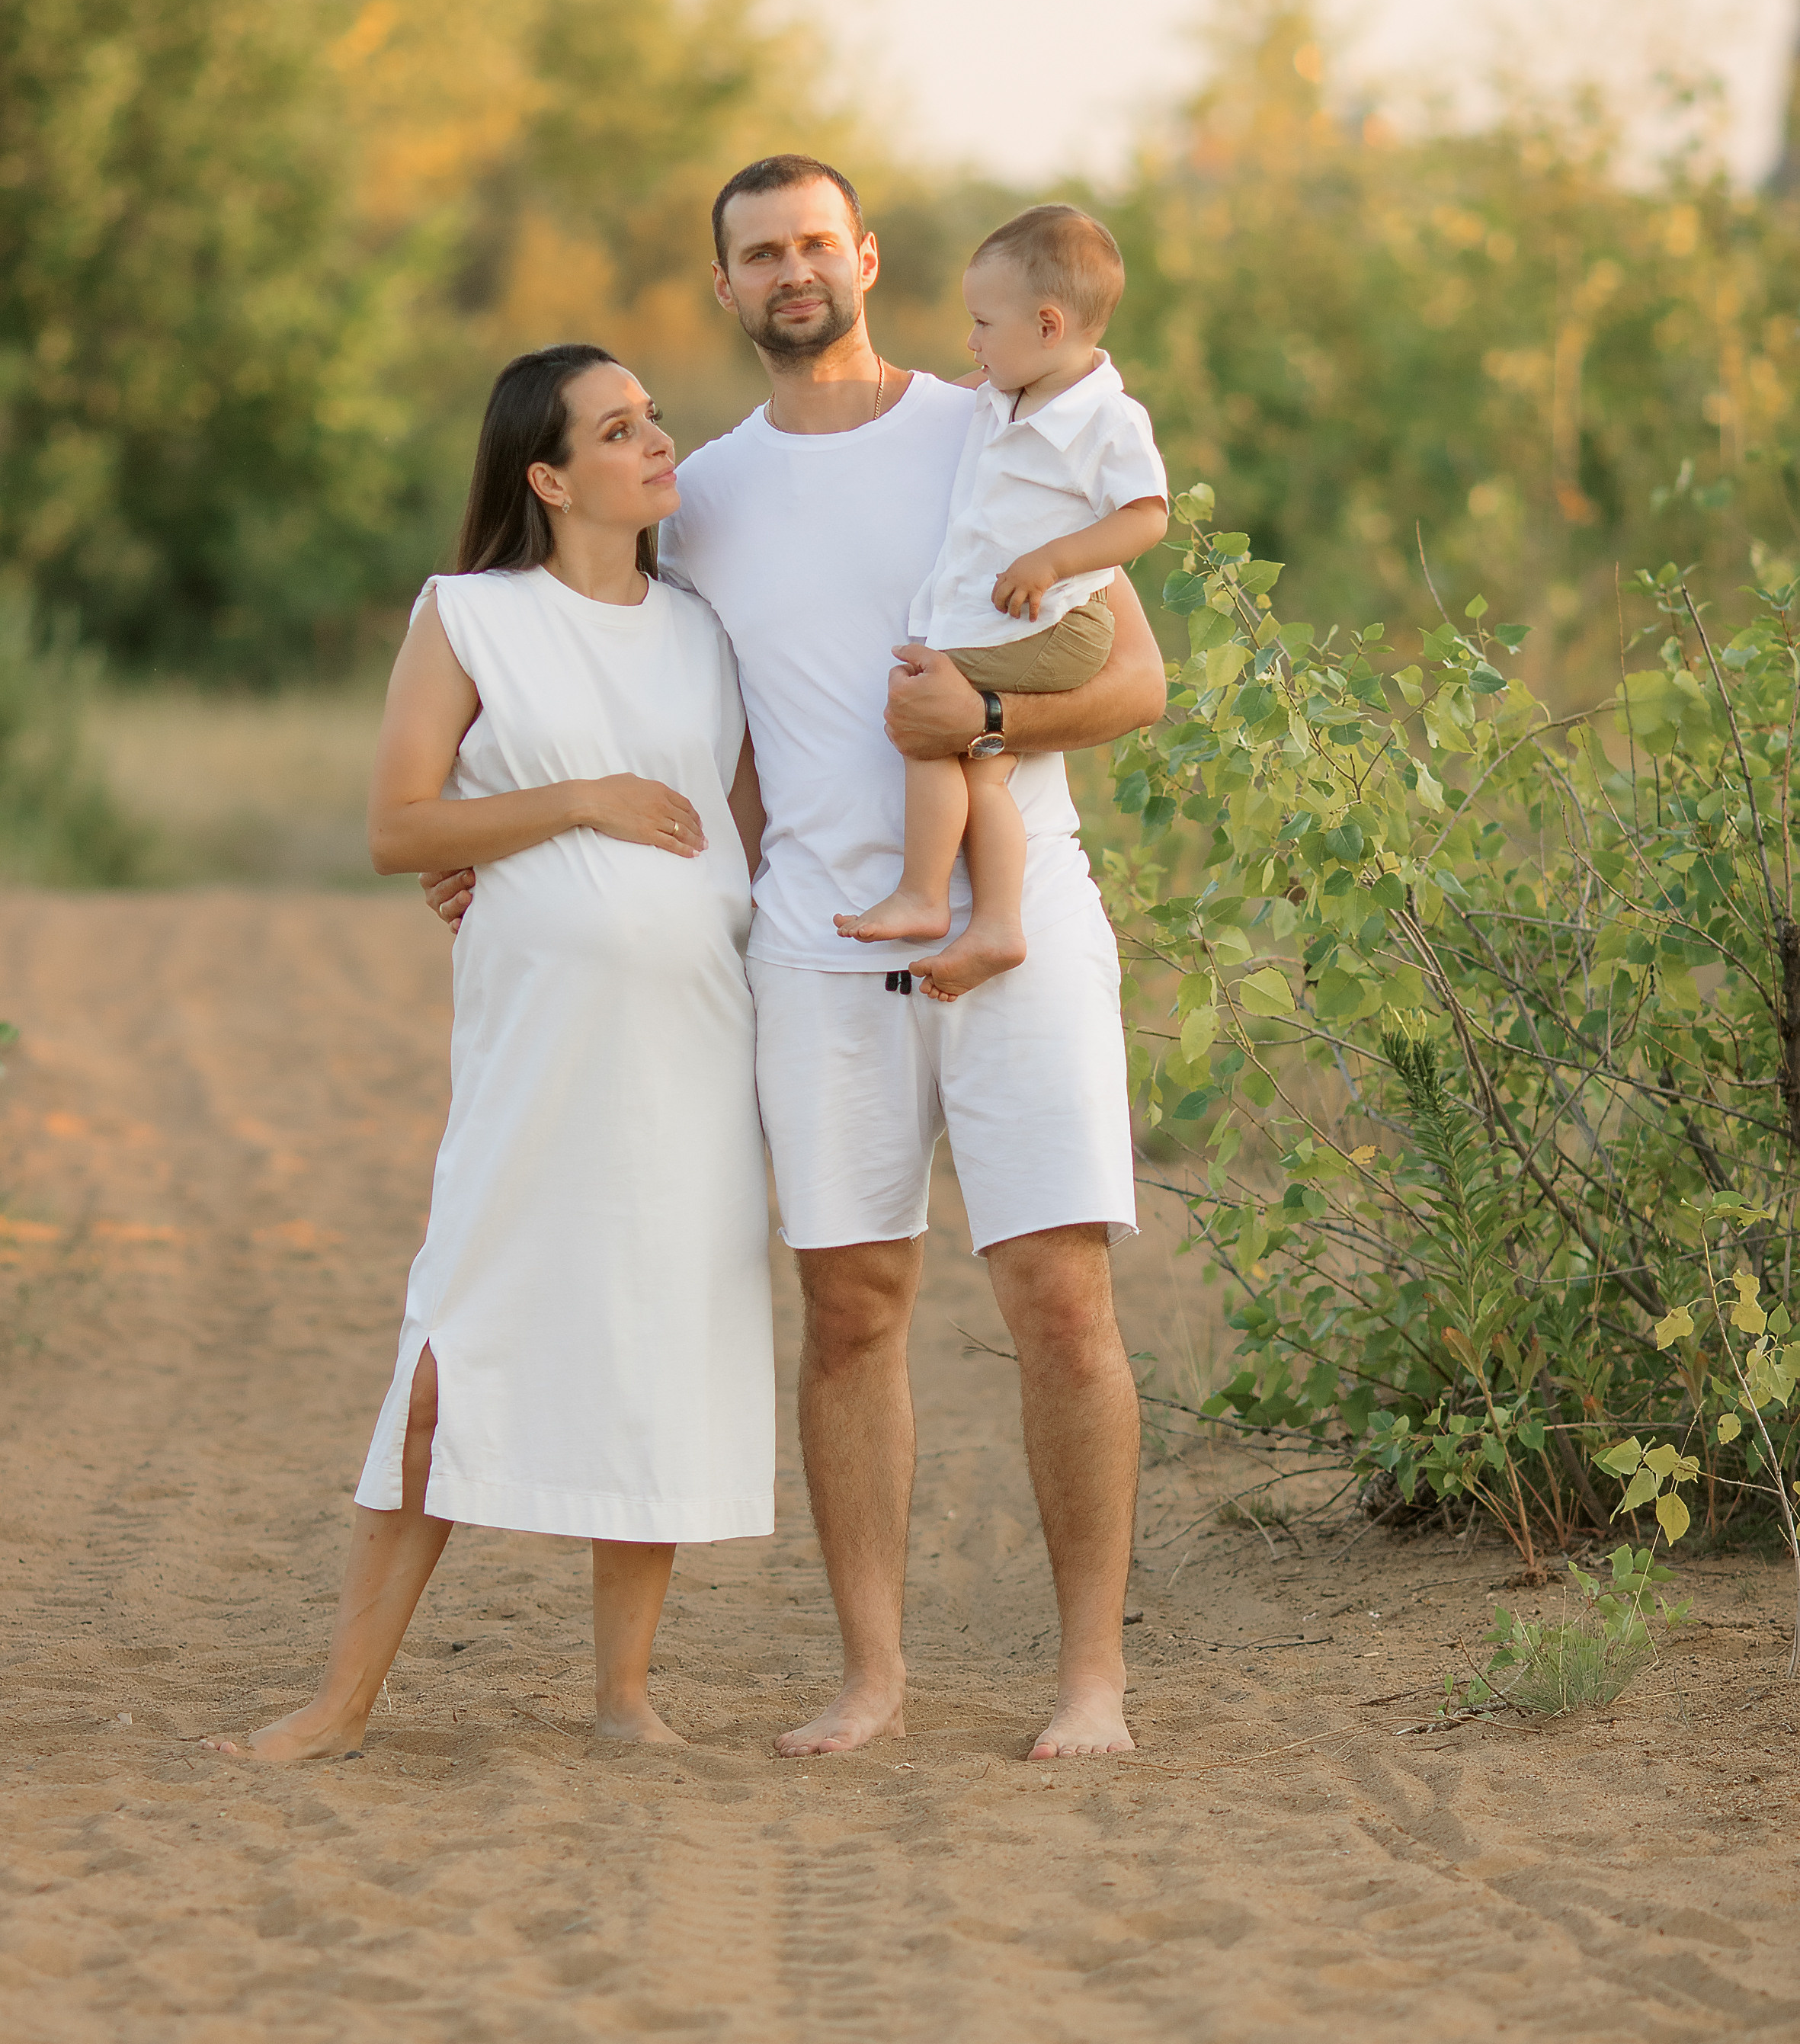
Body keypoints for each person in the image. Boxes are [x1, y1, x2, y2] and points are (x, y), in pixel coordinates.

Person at [425, 155, 1167, 1761]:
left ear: (865, 258)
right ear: (724, 286)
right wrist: (499, 857)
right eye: (757, 253)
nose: (789, 271)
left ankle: (1091, 1682)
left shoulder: (989, 424)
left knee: (1056, 1297)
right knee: (850, 1305)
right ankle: (873, 1677)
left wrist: (977, 716)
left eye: (814, 243)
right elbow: (636, 703)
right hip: (813, 945)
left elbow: (1131, 683)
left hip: (1015, 917)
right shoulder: (709, 495)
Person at [209, 344, 773, 1764]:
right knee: (455, 1344)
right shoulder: (470, 616)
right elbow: (399, 827)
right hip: (541, 1059)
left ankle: (625, 1697)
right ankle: (340, 1703)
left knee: (656, 1349)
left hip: (691, 1055)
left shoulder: (707, 631)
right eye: (619, 428)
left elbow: (745, 832)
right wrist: (573, 801)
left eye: (655, 419)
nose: (658, 443)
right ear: (547, 474)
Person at [834, 203, 1167, 1002]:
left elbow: (1146, 515)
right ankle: (996, 924)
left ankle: (922, 895)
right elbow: (947, 399)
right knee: (980, 768)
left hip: (1056, 624)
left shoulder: (1105, 420)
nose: (971, 342)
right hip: (1018, 624)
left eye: (982, 323)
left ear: (1048, 325)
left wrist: (1054, 559)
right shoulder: (1005, 390)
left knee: (926, 707)